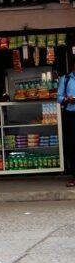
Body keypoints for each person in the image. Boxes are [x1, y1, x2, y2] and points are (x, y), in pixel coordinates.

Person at [57, 48, 75, 187]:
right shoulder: (66, 79)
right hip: (71, 114)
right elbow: (59, 98)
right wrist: (67, 100)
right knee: (72, 146)